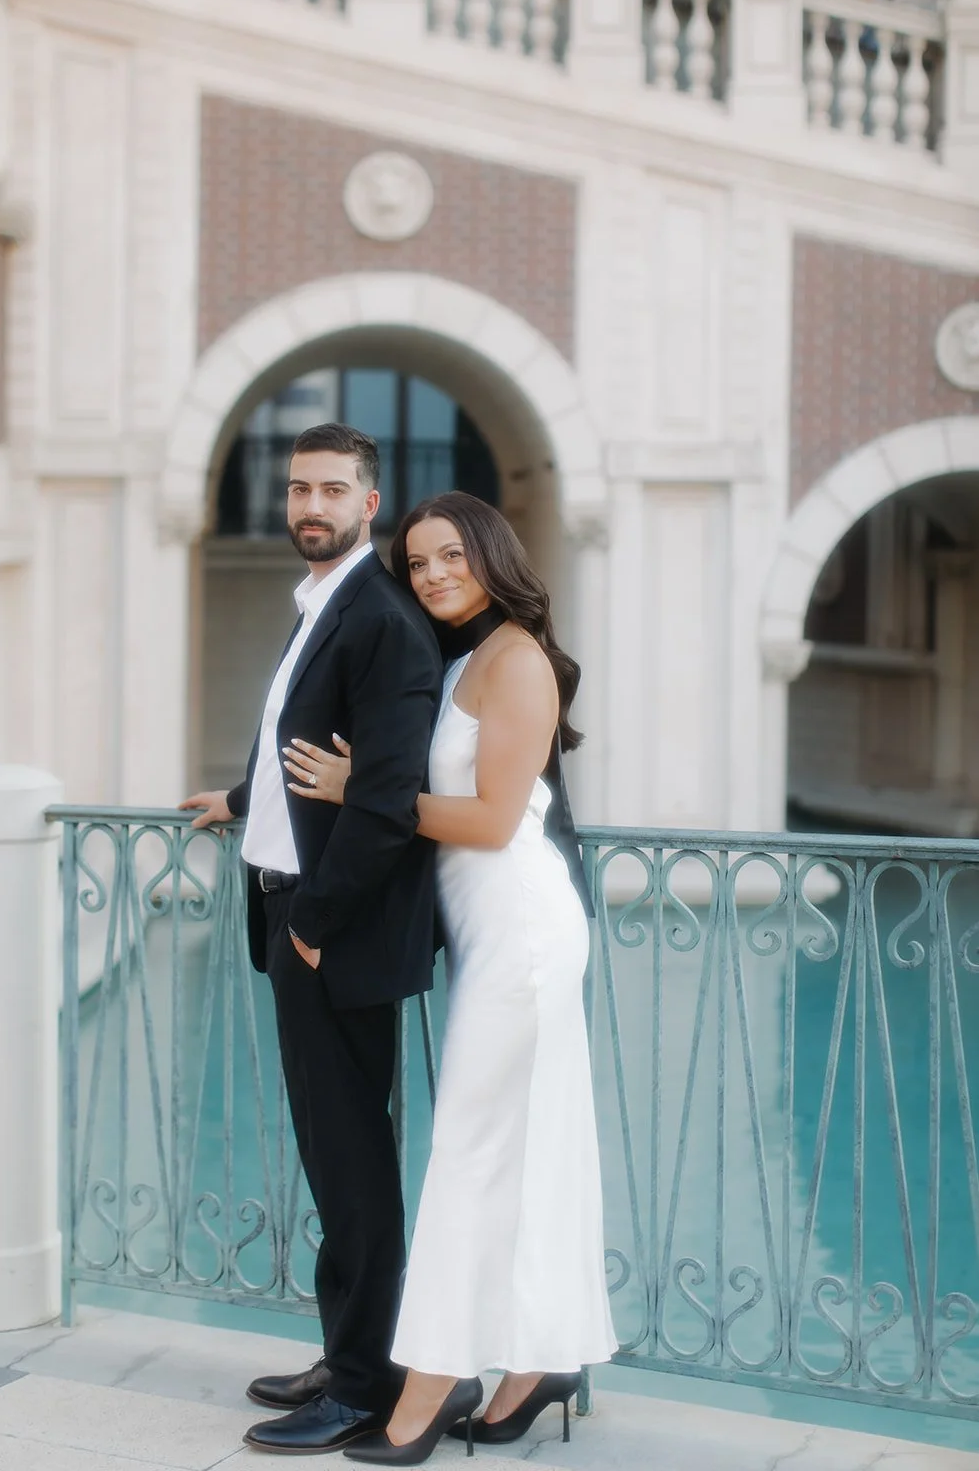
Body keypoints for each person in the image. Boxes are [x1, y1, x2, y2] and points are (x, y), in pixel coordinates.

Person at [283, 492, 617, 1466]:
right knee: (522, 1148)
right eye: (417, 561)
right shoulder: (461, 656)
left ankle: (424, 1390)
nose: (431, 574)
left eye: (448, 556)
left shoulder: (517, 659)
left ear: (490, 554)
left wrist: (365, 793)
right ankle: (535, 1363)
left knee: (470, 1148)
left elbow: (488, 817)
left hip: (521, 924)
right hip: (484, 929)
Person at [181, 424, 443, 1455]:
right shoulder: (323, 606)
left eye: (332, 490)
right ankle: (347, 1352)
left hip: (332, 926)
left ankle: (366, 1387)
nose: (310, 506)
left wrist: (320, 930)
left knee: (356, 1164)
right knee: (334, 1158)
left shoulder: (381, 617)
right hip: (296, 910)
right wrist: (244, 797)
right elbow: (305, 741)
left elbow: (384, 797)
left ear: (371, 503)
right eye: (299, 488)